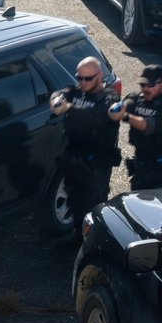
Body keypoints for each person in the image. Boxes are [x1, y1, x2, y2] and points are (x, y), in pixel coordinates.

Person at [50, 56, 121, 240]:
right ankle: (78, 238)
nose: (82, 82)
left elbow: (100, 115)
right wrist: (57, 100)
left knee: (94, 208)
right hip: (74, 159)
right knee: (74, 202)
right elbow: (60, 94)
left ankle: (94, 245)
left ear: (99, 76)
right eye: (79, 77)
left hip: (96, 164)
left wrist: (69, 109)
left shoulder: (109, 96)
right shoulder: (76, 91)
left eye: (87, 78)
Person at [111, 64, 162, 191]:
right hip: (141, 166)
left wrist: (126, 117)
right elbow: (125, 104)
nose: (145, 89)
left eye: (150, 85)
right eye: (143, 85)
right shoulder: (139, 98)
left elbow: (152, 125)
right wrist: (118, 108)